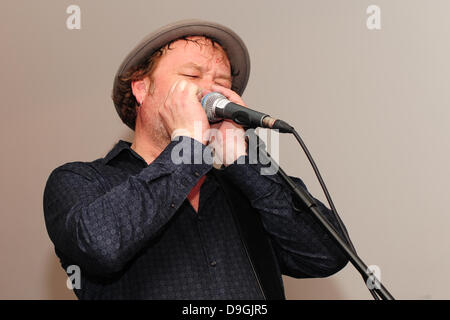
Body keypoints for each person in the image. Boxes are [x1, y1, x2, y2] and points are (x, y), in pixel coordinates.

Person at [43, 20, 349, 300]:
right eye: (192, 75)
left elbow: (326, 256)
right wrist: (187, 148)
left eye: (222, 82)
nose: (210, 91)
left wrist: (242, 160)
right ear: (141, 88)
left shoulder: (243, 188)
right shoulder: (81, 181)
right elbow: (101, 246)